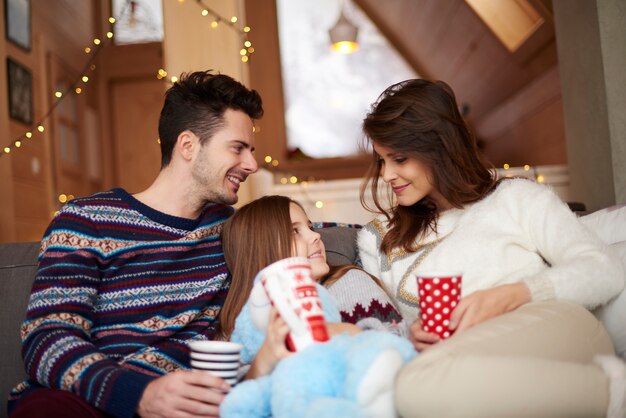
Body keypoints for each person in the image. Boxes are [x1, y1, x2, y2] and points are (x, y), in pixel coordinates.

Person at [357, 78, 626, 418]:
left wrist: (513, 295)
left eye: (398, 159)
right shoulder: (379, 239)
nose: (386, 175)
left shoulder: (516, 198)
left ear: (439, 148)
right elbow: (386, 329)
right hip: (464, 358)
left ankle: (610, 391)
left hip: (553, 326)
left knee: (415, 385)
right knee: (417, 385)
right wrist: (412, 333)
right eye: (381, 160)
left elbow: (604, 270)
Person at [8, 70, 263, 418]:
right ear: (188, 145)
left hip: (187, 403)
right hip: (92, 399)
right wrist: (138, 395)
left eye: (252, 150)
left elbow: (304, 230)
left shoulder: (233, 231)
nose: (252, 164)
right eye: (238, 148)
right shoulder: (87, 220)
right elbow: (48, 338)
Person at [217, 195, 405, 377]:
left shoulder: (348, 282)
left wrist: (330, 331)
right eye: (294, 231)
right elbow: (235, 392)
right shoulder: (248, 319)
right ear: (262, 249)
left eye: (310, 227)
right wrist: (263, 363)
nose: (316, 235)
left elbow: (394, 342)